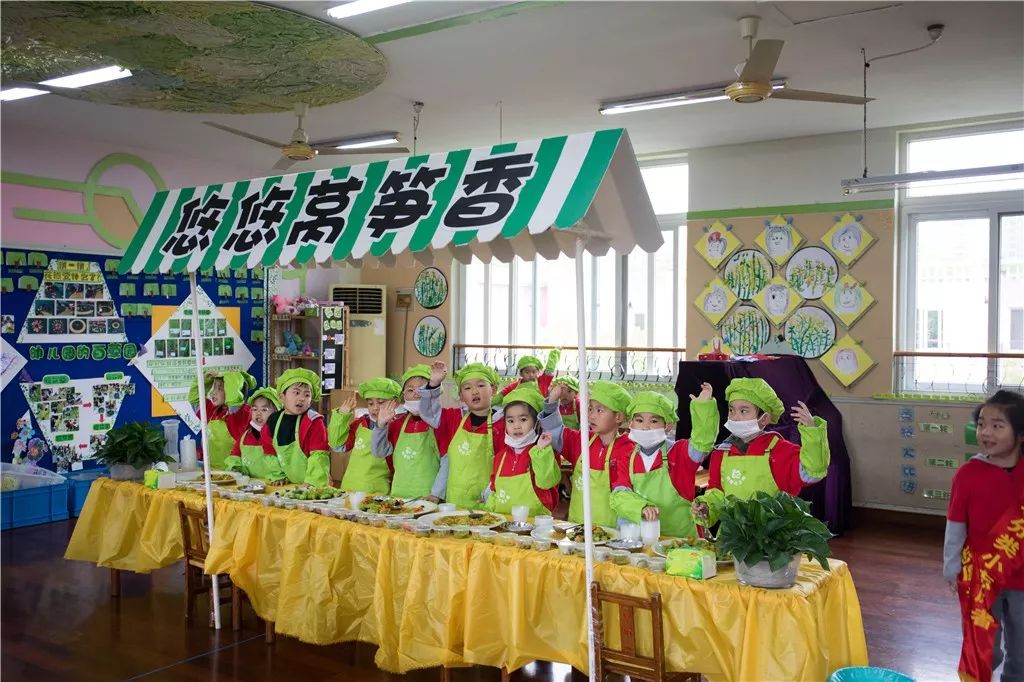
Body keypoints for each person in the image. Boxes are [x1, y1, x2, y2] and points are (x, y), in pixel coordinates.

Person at [944, 390, 1024, 682]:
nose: (986, 432)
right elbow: (955, 525)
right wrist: (952, 566)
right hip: (981, 576)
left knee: (1021, 653)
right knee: (985, 650)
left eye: (997, 425)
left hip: (1022, 579)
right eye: (981, 424)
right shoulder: (968, 474)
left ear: (1021, 433)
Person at [698, 378, 829, 514]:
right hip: (734, 533)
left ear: (765, 418)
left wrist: (813, 432)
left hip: (771, 533)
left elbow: (812, 472)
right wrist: (707, 507)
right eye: (731, 410)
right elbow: (716, 491)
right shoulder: (721, 452)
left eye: (743, 411)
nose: (735, 417)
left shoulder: (780, 451)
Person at [610, 386, 718, 538]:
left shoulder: (680, 453)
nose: (646, 427)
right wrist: (641, 507)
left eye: (654, 421)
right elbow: (619, 494)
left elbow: (703, 442)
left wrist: (703, 408)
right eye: (639, 420)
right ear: (630, 424)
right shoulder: (626, 459)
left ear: (667, 425)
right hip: (643, 540)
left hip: (681, 540)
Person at [547, 380, 634, 527]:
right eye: (591, 409)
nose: (592, 416)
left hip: (611, 532)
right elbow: (555, 432)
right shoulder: (581, 441)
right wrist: (552, 402)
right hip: (576, 528)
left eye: (600, 410)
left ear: (618, 417)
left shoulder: (630, 449)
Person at [419, 361, 504, 508]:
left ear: (494, 389)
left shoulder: (503, 423)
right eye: (467, 388)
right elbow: (429, 413)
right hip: (454, 502)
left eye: (481, 385)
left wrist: (490, 493)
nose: (475, 391)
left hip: (488, 503)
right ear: (461, 396)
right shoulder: (454, 419)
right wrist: (433, 384)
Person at [482, 386, 561, 516]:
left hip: (534, 524)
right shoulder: (500, 457)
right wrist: (488, 514)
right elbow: (494, 490)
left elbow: (547, 482)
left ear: (536, 422)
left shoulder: (543, 451)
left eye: (523, 419)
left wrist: (541, 451)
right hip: (503, 523)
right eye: (510, 420)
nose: (516, 426)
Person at [372, 365, 443, 500]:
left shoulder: (438, 424)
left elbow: (447, 462)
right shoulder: (397, 424)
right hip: (399, 495)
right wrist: (381, 425)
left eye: (422, 389)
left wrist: (436, 494)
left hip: (429, 497)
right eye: (410, 390)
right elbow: (379, 452)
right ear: (403, 396)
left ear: (432, 393)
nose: (416, 393)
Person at [328, 377, 402, 494]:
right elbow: (337, 446)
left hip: (378, 492)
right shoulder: (360, 424)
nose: (375, 407)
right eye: (370, 403)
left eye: (381, 402)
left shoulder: (397, 427)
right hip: (349, 488)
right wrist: (341, 416)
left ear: (395, 403)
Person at [259, 368, 330, 486]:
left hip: (311, 485)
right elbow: (269, 452)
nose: (302, 398)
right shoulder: (273, 420)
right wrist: (277, 476)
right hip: (285, 484)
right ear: (282, 397)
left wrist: (312, 482)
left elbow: (319, 455)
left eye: (307, 395)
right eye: (296, 392)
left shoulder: (314, 421)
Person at [188, 370, 255, 470]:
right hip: (212, 472)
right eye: (213, 387)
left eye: (219, 388)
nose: (213, 392)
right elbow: (195, 400)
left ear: (233, 391)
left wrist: (230, 377)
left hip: (233, 473)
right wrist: (204, 381)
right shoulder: (212, 411)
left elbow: (234, 400)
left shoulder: (239, 413)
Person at [224, 388, 284, 480]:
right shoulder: (244, 436)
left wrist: (279, 476)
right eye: (255, 409)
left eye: (264, 410)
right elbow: (235, 455)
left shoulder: (279, 436)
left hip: (273, 484)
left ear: (277, 413)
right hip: (249, 485)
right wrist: (236, 469)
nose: (258, 413)